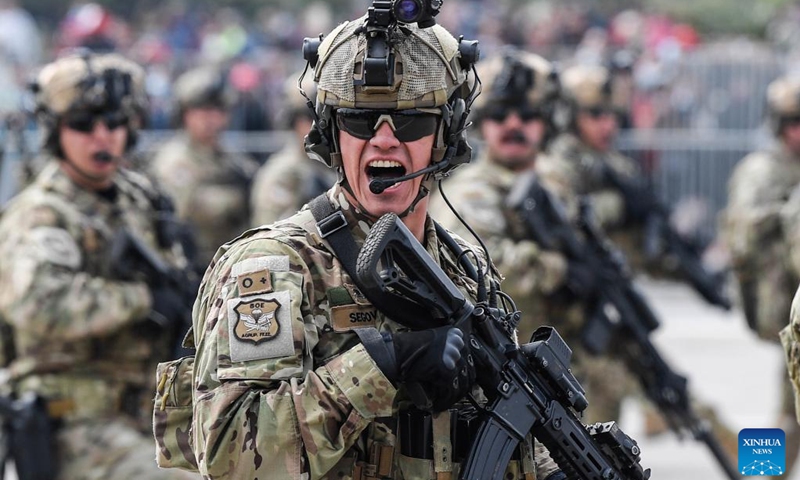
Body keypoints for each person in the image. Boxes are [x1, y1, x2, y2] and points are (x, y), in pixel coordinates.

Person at [181, 13, 564, 480]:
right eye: (359, 120)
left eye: (411, 121)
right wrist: (382, 364)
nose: (384, 140)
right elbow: (228, 456)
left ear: (446, 136)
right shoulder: (275, 266)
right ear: (331, 133)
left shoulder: (466, 265)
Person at [0, 52, 197, 480]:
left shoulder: (140, 200)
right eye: (83, 125)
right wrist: (141, 300)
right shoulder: (41, 213)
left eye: (114, 123)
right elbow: (38, 300)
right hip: (74, 424)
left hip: (153, 412)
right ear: (55, 131)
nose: (102, 137)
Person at [429, 49, 627, 424]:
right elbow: (480, 269)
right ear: (482, 123)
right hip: (508, 378)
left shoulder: (556, 180)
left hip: (568, 367)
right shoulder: (470, 192)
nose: (513, 124)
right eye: (499, 115)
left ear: (547, 122)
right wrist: (560, 270)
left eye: (528, 115)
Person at [728, 75, 800, 476]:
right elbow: (742, 232)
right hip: (783, 303)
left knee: (789, 407)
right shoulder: (762, 170)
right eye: (792, 123)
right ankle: (757, 473)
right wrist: (785, 212)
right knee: (788, 412)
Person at [149, 66, 258, 269]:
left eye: (217, 110)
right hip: (194, 266)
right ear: (184, 114)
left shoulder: (233, 160)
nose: (210, 118)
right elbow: (178, 219)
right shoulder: (174, 161)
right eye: (202, 110)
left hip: (232, 263)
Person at [250, 72, 337, 226]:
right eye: (312, 117)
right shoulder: (284, 173)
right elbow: (273, 229)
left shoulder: (333, 164)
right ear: (296, 122)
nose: (323, 125)